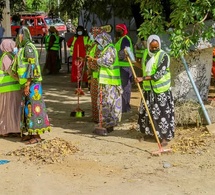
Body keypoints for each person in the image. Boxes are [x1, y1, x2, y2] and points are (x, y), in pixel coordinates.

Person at [134, 34, 175, 146]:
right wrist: (132, 61)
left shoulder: (164, 56)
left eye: (156, 47)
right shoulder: (146, 54)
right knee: (147, 113)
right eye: (152, 47)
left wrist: (142, 78)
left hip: (161, 90)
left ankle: (164, 138)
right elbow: (143, 67)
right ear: (148, 46)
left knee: (162, 115)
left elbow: (158, 75)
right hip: (148, 90)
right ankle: (149, 133)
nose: (154, 49)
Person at [16, 26, 51, 144]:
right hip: (26, 83)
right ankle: (30, 133)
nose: (19, 37)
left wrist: (27, 84)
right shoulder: (23, 48)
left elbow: (32, 67)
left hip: (32, 84)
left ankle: (37, 135)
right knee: (27, 109)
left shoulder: (29, 48)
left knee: (34, 108)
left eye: (21, 35)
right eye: (18, 35)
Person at [87, 32, 122, 136]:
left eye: (99, 42)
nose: (98, 45)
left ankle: (109, 125)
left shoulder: (110, 48)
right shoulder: (106, 49)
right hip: (104, 82)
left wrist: (93, 59)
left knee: (108, 104)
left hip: (111, 82)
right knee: (103, 104)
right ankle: (105, 124)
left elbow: (106, 61)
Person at [0, 39, 22, 137]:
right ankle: (6, 129)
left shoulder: (9, 56)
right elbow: (11, 72)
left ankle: (12, 128)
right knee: (9, 109)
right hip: (9, 88)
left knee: (11, 109)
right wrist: (20, 80)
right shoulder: (7, 57)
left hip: (10, 88)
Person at [87, 27, 105, 123]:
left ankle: (100, 118)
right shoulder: (94, 45)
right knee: (94, 98)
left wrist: (91, 62)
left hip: (100, 76)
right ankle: (95, 117)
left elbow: (97, 61)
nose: (93, 36)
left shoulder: (101, 48)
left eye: (95, 34)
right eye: (93, 34)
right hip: (94, 76)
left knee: (100, 98)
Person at [115, 23, 133, 113]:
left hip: (124, 67)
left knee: (125, 87)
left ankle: (125, 107)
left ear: (123, 30)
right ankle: (124, 106)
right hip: (121, 66)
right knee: (123, 87)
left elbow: (123, 53)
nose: (117, 31)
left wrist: (113, 55)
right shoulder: (121, 39)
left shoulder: (125, 39)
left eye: (119, 30)